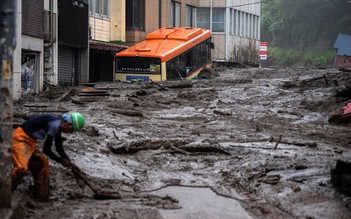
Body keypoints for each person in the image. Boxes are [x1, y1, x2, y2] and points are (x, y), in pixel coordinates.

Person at [11, 112, 85, 201]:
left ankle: (42, 196)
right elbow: (46, 150)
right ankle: (4, 189)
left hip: (30, 142)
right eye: (72, 129)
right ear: (67, 124)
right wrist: (61, 160)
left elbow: (59, 147)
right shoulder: (54, 125)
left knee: (42, 163)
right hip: (19, 139)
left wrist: (67, 160)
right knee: (21, 167)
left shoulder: (58, 124)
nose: (70, 132)